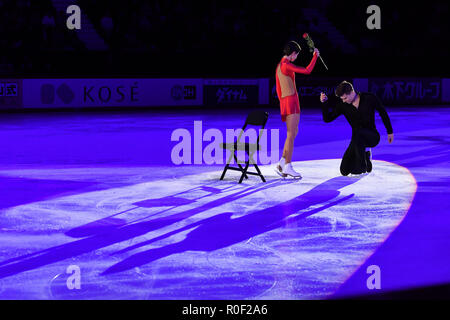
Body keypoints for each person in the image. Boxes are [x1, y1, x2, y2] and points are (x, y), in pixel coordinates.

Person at [319, 81, 394, 176]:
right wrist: (324, 103)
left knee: (358, 133)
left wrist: (390, 131)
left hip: (372, 136)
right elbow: (327, 119)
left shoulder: (369, 97)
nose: (344, 101)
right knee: (344, 171)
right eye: (342, 99)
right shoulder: (343, 106)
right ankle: (366, 155)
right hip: (356, 140)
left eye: (345, 98)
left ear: (351, 92)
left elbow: (383, 112)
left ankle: (361, 166)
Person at [275, 40, 319, 178]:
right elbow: (307, 70)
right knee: (291, 134)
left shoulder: (279, 64)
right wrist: (315, 57)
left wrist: (283, 102)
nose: (296, 57)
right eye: (297, 55)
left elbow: (278, 89)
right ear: (293, 54)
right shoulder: (287, 65)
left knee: (293, 132)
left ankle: (282, 162)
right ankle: (288, 165)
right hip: (291, 101)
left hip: (285, 101)